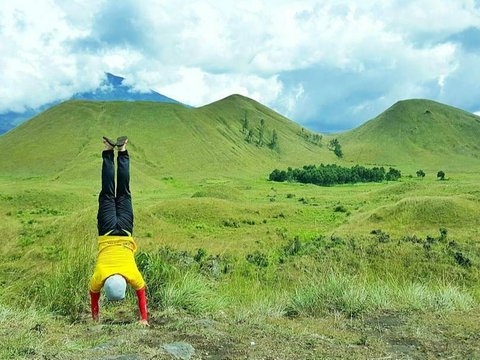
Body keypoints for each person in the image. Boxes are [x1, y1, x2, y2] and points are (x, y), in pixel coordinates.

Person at [89, 136, 149, 326]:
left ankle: (122, 150)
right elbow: (93, 297)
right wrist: (95, 319)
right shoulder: (99, 275)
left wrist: (144, 318)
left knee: (123, 191)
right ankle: (109, 150)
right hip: (107, 228)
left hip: (124, 228)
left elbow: (141, 293)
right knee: (107, 191)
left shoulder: (132, 273)